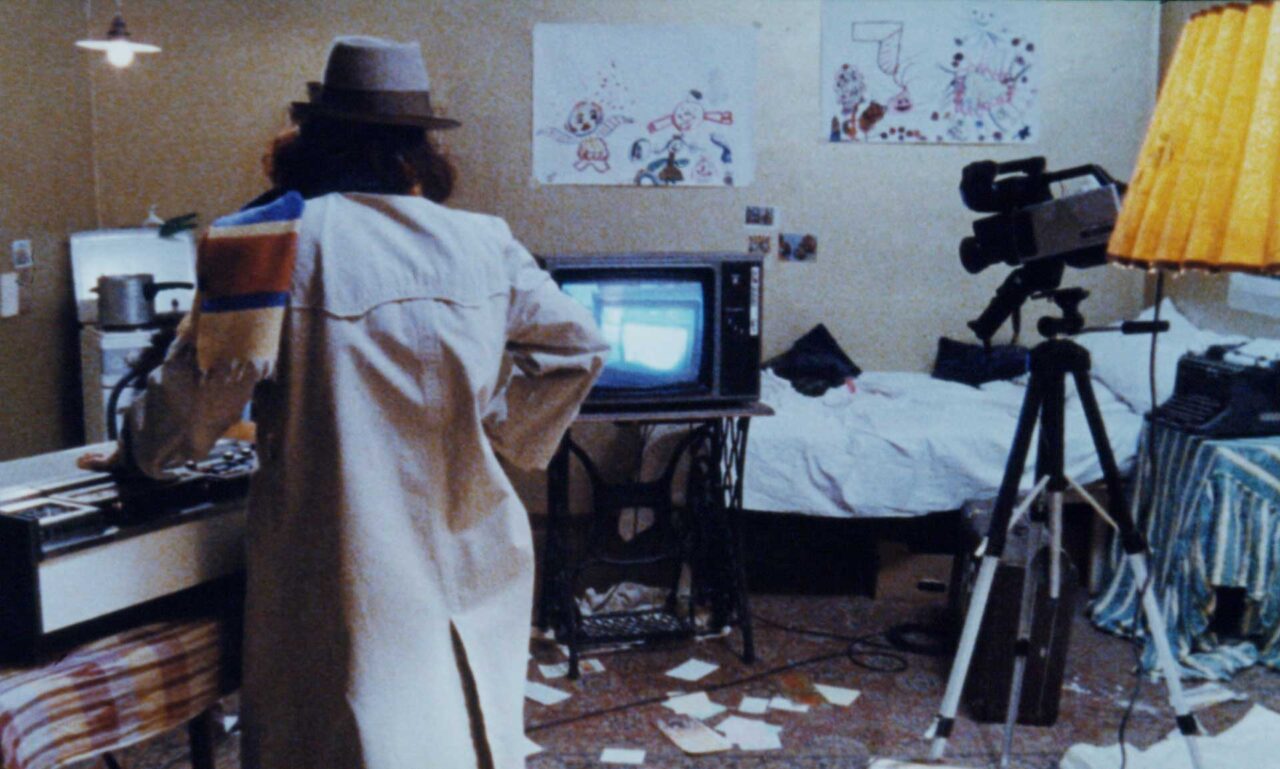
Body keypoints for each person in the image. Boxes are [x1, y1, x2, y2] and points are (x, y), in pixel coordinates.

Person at [83, 36, 606, 769]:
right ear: (417, 148)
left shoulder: (269, 242)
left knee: (347, 739)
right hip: (475, 546)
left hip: (341, 564)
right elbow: (580, 347)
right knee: (459, 736)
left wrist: (141, 450)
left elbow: (189, 416)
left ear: (312, 136)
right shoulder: (484, 242)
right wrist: (498, 429)